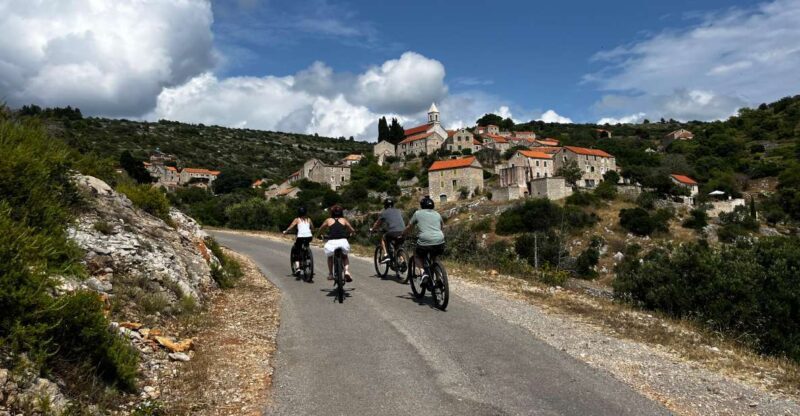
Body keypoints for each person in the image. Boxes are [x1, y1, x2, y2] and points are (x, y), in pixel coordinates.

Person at [403, 196, 445, 283]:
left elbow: (409, 226)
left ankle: (423, 273)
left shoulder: (417, 213)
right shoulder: (437, 214)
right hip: (440, 240)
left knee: (416, 254)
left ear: (422, 205)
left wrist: (403, 234)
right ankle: (439, 278)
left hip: (425, 240)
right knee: (434, 257)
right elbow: (442, 227)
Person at [316, 204, 356, 282]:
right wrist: (352, 233)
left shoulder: (328, 220)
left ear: (332, 213)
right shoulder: (344, 220)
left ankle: (330, 274)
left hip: (332, 242)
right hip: (343, 242)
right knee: (345, 256)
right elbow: (352, 230)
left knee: (330, 256)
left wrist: (319, 235)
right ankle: (346, 271)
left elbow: (321, 229)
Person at [369, 198, 406, 264]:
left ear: (385, 205)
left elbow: (377, 224)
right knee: (397, 246)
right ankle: (402, 260)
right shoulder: (398, 211)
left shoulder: (384, 213)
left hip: (393, 232)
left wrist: (373, 229)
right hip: (403, 231)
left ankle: (386, 255)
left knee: (383, 238)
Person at [283, 206, 314, 278]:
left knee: (296, 250)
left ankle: (297, 268)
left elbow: (291, 226)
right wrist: (311, 230)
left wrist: (286, 231)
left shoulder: (297, 219)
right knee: (306, 245)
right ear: (306, 212)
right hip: (309, 236)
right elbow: (312, 227)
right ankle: (307, 254)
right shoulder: (309, 219)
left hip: (300, 237)